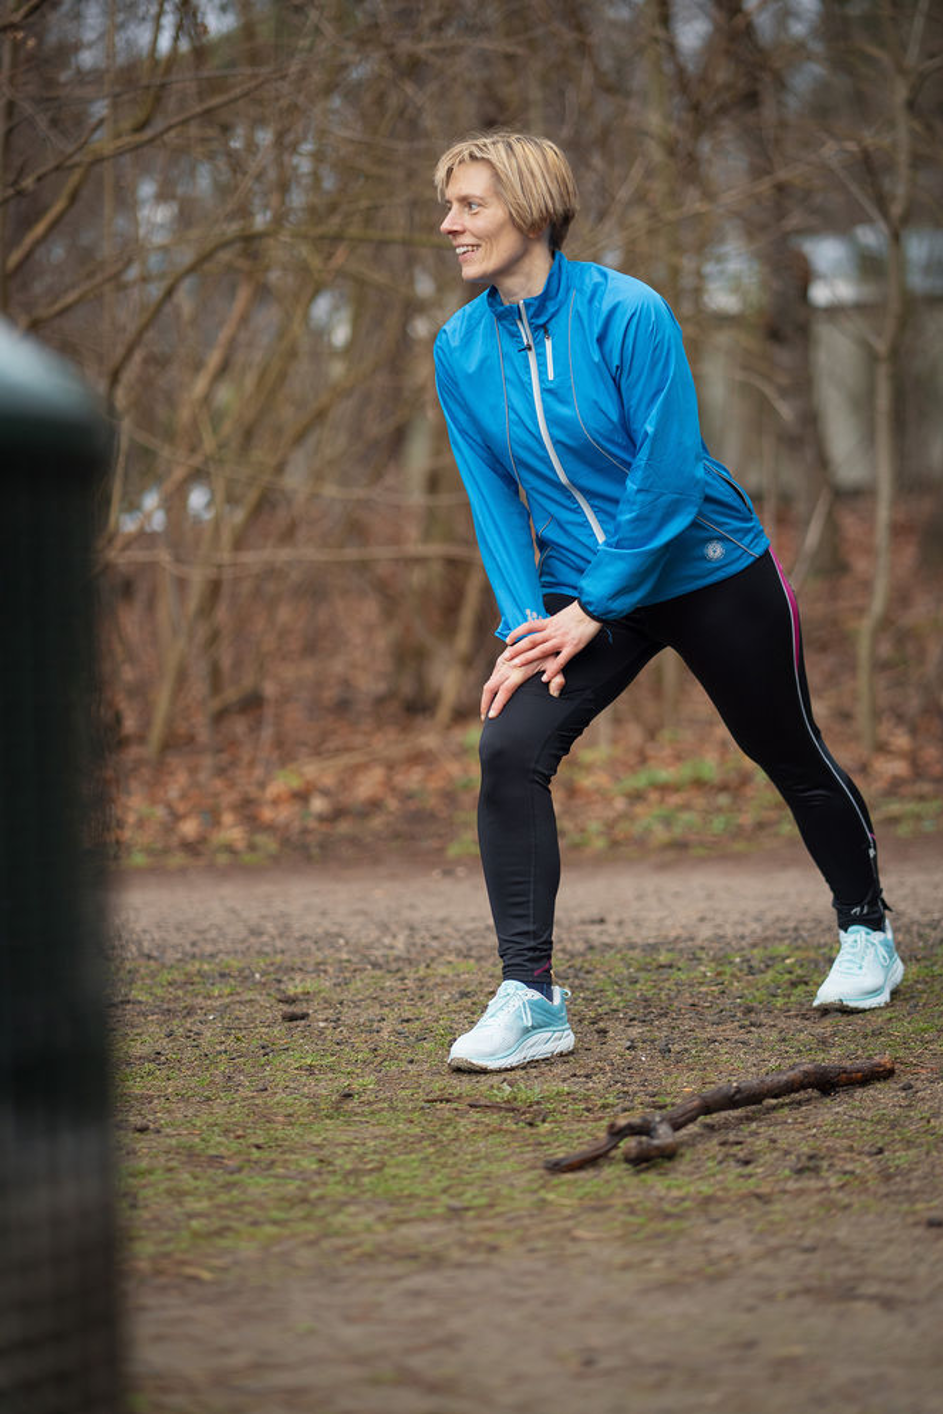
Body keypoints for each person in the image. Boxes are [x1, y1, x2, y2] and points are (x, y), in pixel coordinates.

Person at [432, 131, 902, 1073]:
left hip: (704, 565)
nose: (450, 225)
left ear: (527, 207)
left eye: (470, 205)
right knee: (509, 748)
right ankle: (530, 998)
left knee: (786, 749)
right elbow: (491, 499)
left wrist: (596, 605)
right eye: (449, 207)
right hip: (578, 593)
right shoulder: (459, 346)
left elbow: (669, 473)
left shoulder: (626, 312)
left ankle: (867, 933)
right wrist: (526, 631)